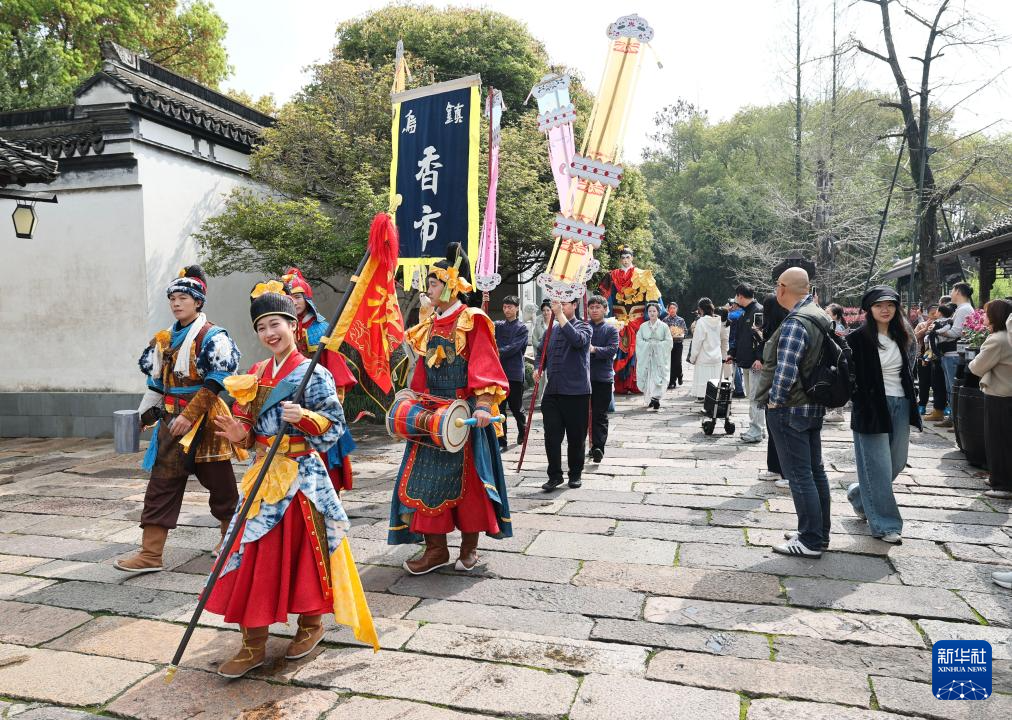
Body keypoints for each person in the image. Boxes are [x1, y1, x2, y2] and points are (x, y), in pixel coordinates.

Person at [207, 283, 377, 677]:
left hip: (302, 478)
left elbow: (334, 426)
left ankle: (311, 625)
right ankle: (252, 644)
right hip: (263, 476)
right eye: (261, 327)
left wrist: (306, 418)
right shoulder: (255, 374)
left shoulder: (313, 374)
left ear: (293, 325)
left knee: (306, 554)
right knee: (249, 554)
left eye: (276, 324)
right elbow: (248, 427)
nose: (270, 333)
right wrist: (240, 434)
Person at [387, 243, 513, 575]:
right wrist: (411, 401)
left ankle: (469, 548)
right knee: (424, 480)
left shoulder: (472, 319)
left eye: (433, 284)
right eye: (428, 284)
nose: (428, 290)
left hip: (464, 414)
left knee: (471, 485)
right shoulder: (428, 324)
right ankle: (435, 549)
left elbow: (485, 362)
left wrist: (483, 404)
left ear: (451, 286)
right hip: (432, 415)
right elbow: (421, 372)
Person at [116, 265, 242, 574]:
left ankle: (231, 541)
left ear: (198, 302)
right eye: (172, 298)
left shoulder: (213, 336)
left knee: (222, 487)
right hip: (171, 423)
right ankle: (150, 554)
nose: (176, 303)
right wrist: (142, 417)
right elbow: (156, 384)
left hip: (208, 422)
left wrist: (189, 415)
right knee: (161, 485)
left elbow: (216, 382)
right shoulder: (164, 339)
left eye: (183, 298)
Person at [755, 267, 832, 558]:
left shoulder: (796, 321)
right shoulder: (819, 314)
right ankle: (818, 533)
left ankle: (810, 540)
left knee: (799, 475)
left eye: (778, 285)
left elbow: (786, 369)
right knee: (815, 471)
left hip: (791, 406)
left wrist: (775, 401)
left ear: (783, 288)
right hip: (813, 403)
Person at [846, 286, 922, 545]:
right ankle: (886, 524)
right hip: (871, 407)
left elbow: (910, 369)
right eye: (879, 305)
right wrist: (858, 400)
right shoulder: (856, 339)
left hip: (901, 403)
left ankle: (859, 496)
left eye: (890, 304)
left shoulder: (904, 335)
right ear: (869, 309)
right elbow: (849, 375)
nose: (885, 309)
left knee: (896, 463)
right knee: (878, 468)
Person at [280, 267, 358, 493]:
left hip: (317, 402)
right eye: (288, 297)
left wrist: (333, 404)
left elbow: (336, 369)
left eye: (297, 296)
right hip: (290, 402)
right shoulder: (281, 329)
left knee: (324, 463)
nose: (293, 301)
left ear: (307, 298)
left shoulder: (321, 329)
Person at [537, 298, 592, 491]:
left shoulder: (585, 327)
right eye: (558, 304)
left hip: (576, 392)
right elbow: (541, 352)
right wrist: (538, 368)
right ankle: (554, 475)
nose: (559, 306)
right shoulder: (550, 330)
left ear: (575, 305)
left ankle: (575, 474)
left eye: (565, 303)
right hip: (553, 391)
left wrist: (559, 314)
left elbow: (577, 341)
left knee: (576, 437)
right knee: (551, 436)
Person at [599, 245, 662, 394]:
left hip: (638, 321)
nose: (625, 260)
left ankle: (637, 384)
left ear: (632, 258)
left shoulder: (643, 275)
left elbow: (654, 300)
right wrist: (605, 318)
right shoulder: (612, 275)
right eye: (623, 257)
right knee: (616, 350)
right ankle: (620, 385)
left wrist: (651, 318)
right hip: (618, 321)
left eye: (628, 257)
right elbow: (606, 300)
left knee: (639, 352)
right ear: (620, 259)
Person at [969, 299, 1012, 500]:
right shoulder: (1006, 337)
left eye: (987, 313)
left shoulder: (997, 339)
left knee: (998, 441)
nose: (983, 316)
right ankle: (999, 477)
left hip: (999, 395)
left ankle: (1003, 483)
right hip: (1006, 393)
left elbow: (977, 367)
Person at [728, 284, 766, 443]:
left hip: (756, 362)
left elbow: (763, 338)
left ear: (740, 296)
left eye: (736, 296)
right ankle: (758, 428)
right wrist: (733, 353)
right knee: (752, 396)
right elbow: (741, 336)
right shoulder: (746, 312)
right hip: (747, 361)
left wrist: (759, 358)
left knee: (756, 397)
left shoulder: (758, 311)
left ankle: (756, 430)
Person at [935, 282, 975, 427]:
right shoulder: (963, 308)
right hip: (952, 354)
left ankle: (956, 420)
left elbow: (956, 332)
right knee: (951, 388)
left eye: (952, 290)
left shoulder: (963, 309)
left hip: (954, 354)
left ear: (958, 291)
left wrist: (937, 331)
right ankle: (953, 418)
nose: (951, 293)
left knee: (953, 388)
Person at [494, 295, 529, 450]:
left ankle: (523, 431)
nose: (507, 310)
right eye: (505, 307)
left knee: (516, 407)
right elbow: (484, 322)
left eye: (510, 307)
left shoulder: (522, 328)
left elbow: (514, 348)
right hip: (499, 373)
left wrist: (496, 352)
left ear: (517, 308)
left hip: (514, 373)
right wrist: (484, 302)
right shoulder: (498, 325)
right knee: (499, 409)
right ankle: (502, 441)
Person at [588, 295, 620, 463]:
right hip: (583, 378)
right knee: (582, 415)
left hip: (603, 378)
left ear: (605, 309)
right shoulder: (583, 327)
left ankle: (598, 447)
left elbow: (612, 350)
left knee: (599, 415)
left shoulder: (611, 330)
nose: (594, 310)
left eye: (598, 307)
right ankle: (584, 446)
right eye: (591, 307)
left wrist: (594, 350)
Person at [689, 298, 728, 402]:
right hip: (716, 355)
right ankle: (714, 397)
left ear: (700, 309)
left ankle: (702, 396)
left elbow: (697, 342)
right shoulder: (718, 321)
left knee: (703, 378)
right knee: (715, 379)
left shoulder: (701, 322)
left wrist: (693, 357)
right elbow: (722, 337)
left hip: (704, 356)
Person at [636, 302, 673, 409]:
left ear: (658, 312)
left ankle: (656, 398)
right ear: (647, 313)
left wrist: (657, 345)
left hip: (659, 356)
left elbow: (669, 341)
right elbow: (639, 340)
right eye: (650, 311)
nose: (652, 313)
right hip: (646, 355)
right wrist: (648, 345)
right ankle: (650, 398)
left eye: (654, 311)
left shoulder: (664, 326)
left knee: (658, 376)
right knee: (648, 376)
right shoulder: (643, 326)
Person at [926, 303, 957, 423]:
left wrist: (934, 332)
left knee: (944, 386)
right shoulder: (946, 322)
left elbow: (931, 337)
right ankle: (942, 411)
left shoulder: (943, 323)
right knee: (941, 385)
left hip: (944, 355)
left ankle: (948, 414)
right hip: (941, 355)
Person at [531, 299, 553, 405]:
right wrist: (542, 346)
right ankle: (541, 399)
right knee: (540, 377)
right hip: (541, 354)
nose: (546, 312)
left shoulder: (556, 324)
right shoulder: (538, 324)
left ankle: (550, 398)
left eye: (548, 310)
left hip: (552, 354)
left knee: (551, 377)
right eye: (544, 310)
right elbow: (534, 339)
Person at [663, 301, 687, 388]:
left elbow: (685, 331)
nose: (672, 310)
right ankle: (672, 381)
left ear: (677, 309)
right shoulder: (665, 320)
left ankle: (680, 375)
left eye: (674, 308)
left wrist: (680, 333)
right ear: (668, 310)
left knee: (677, 362)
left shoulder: (681, 320)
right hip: (668, 344)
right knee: (670, 362)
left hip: (678, 344)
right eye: (670, 308)